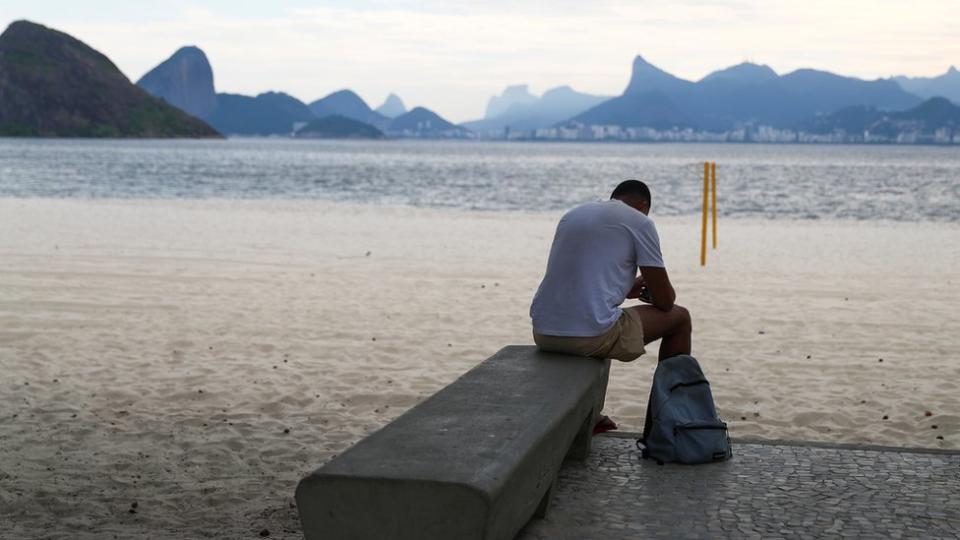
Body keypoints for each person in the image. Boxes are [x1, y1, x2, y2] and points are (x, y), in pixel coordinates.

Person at [530, 179, 692, 365]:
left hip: (543, 333)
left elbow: (582, 276)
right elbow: (665, 302)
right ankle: (673, 393)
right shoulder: (640, 222)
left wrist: (625, 287)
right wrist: (658, 293)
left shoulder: (572, 215)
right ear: (644, 206)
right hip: (588, 337)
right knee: (680, 319)